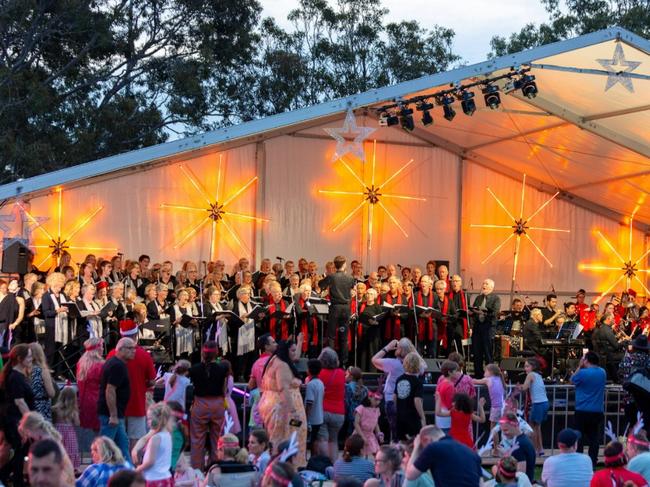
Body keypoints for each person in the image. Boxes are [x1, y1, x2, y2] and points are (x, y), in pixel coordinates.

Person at [107, 320, 157, 449]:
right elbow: (152, 380)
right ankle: (134, 466)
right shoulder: (144, 355)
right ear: (136, 335)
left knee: (118, 441)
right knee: (135, 440)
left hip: (117, 406)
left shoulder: (112, 354)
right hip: (137, 404)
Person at [258, 339, 308, 467]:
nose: (294, 354)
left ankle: (278, 466)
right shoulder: (282, 365)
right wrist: (293, 411)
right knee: (286, 437)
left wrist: (300, 340)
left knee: (278, 437)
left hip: (275, 405)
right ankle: (285, 467)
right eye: (292, 350)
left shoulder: (275, 360)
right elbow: (283, 388)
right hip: (283, 409)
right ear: (286, 351)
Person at [371, 338, 424, 442]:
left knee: (395, 432)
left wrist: (388, 347)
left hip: (392, 400)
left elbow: (374, 360)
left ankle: (395, 452)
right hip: (409, 402)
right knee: (407, 434)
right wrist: (412, 349)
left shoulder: (393, 364)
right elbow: (423, 365)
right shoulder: (418, 367)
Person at [187, 341, 228, 470]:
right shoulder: (223, 368)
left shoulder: (194, 369)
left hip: (200, 404)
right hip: (217, 404)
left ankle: (197, 470)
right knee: (217, 438)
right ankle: (215, 468)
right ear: (217, 352)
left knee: (197, 439)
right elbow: (224, 389)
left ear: (202, 353)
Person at [0, 343, 35, 487]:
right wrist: (31, 422)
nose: (31, 359)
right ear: (20, 359)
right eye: (29, 357)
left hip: (17, 420)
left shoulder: (18, 376)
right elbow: (19, 402)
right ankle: (13, 479)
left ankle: (10, 478)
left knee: (22, 451)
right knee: (20, 451)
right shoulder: (15, 377)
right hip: (15, 421)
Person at [98, 337, 136, 462]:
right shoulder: (117, 366)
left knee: (123, 446)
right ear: (121, 349)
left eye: (134, 348)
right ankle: (97, 475)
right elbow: (110, 390)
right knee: (105, 449)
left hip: (116, 415)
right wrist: (113, 415)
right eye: (130, 348)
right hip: (111, 416)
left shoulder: (115, 363)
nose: (134, 351)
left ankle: (129, 473)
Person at [405, 425, 482, 487]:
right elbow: (481, 484)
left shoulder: (433, 447)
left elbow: (409, 475)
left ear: (426, 439)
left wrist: (416, 447)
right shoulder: (471, 453)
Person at [570, 351, 606, 466]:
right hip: (597, 410)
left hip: (582, 409)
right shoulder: (602, 372)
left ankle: (579, 461)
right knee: (594, 438)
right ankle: (593, 461)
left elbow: (572, 380)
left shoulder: (583, 373)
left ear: (586, 360)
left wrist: (579, 367)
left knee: (579, 437)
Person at [318, 256, 355, 365]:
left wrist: (326, 277)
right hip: (346, 309)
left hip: (335, 309)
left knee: (332, 336)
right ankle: (343, 362)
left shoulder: (331, 277)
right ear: (344, 265)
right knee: (344, 336)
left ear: (335, 265)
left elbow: (320, 285)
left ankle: (330, 361)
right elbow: (352, 288)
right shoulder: (350, 277)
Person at [133, 403, 173, 487]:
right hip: (166, 477)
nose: (147, 422)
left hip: (154, 478)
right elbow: (145, 438)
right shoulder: (168, 435)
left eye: (150, 419)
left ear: (159, 419)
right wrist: (135, 450)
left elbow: (150, 461)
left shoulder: (156, 438)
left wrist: (138, 469)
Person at [317, 347, 345, 462]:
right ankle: (333, 465)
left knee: (322, 439)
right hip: (339, 412)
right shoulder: (341, 373)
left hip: (322, 410)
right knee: (333, 440)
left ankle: (325, 464)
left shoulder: (319, 374)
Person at [470, 278, 501, 378]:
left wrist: (483, 312)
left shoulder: (496, 298)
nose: (484, 285)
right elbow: (474, 310)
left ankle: (490, 375)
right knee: (476, 352)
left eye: (486, 284)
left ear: (491, 287)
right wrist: (472, 312)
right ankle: (478, 374)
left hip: (488, 328)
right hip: (477, 328)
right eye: (483, 283)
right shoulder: (478, 298)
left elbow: (495, 313)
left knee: (488, 353)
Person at [517, 357, 548, 456]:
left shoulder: (530, 375)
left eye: (527, 366)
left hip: (538, 404)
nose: (525, 368)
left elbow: (525, 387)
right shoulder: (538, 375)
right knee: (537, 427)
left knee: (532, 427)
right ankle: (540, 449)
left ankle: (534, 450)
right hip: (544, 403)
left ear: (533, 367)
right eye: (524, 366)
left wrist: (517, 386)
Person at [619, 335, 650, 426]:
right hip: (645, 400)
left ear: (635, 347)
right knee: (644, 428)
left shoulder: (627, 359)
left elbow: (620, 373)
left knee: (630, 426)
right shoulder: (648, 360)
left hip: (628, 398)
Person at [395, 352, 426, 441]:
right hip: (413, 418)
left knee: (402, 443)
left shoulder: (399, 379)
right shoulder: (417, 382)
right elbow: (417, 400)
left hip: (400, 417)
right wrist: (422, 416)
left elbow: (394, 397)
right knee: (414, 443)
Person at [77, 337, 106, 433]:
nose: (103, 349)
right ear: (96, 349)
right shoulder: (100, 365)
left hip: (84, 402)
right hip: (98, 402)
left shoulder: (81, 363)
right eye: (101, 346)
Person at [499, 412, 537, 483]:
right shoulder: (523, 439)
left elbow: (520, 475)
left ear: (515, 426)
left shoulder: (519, 446)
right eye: (502, 430)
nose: (504, 433)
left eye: (506, 430)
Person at [53, 385, 81, 471]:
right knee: (71, 449)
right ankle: (70, 468)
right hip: (69, 432)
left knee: (59, 449)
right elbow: (77, 423)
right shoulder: (73, 411)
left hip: (58, 431)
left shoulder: (56, 408)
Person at [29, 342, 56, 422]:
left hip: (28, 405)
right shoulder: (43, 371)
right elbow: (51, 393)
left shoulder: (24, 370)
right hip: (41, 407)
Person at [304, 359, 324, 455]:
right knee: (314, 440)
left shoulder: (311, 385)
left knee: (310, 441)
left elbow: (309, 403)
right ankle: (314, 458)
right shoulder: (320, 383)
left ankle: (311, 459)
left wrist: (306, 420)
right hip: (319, 417)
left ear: (309, 370)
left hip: (312, 419)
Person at [354, 391, 382, 457]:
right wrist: (362, 437)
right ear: (369, 397)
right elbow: (356, 423)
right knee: (360, 453)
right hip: (359, 434)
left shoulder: (377, 410)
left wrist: (379, 434)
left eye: (379, 400)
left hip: (370, 435)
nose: (378, 402)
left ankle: (374, 466)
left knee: (376, 452)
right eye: (376, 399)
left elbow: (376, 424)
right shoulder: (361, 408)